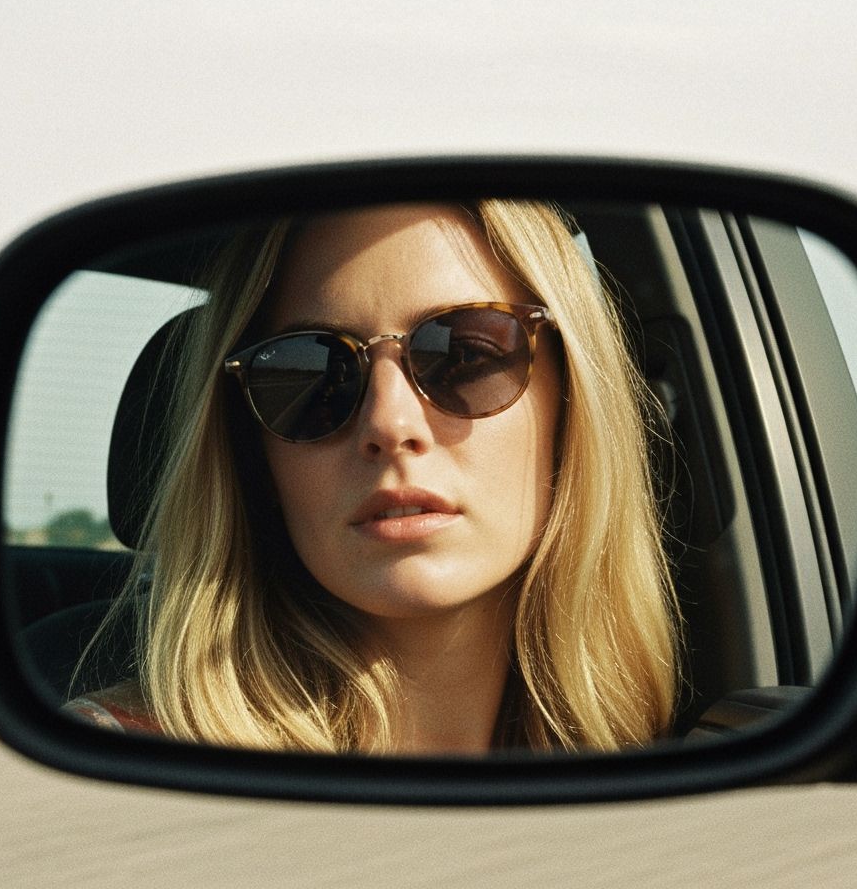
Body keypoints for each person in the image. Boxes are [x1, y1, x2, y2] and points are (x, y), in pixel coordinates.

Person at [66, 199, 681, 754]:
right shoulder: (115, 759)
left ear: (571, 405)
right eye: (310, 373)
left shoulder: (635, 751)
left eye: (464, 354)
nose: (389, 422)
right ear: (251, 451)